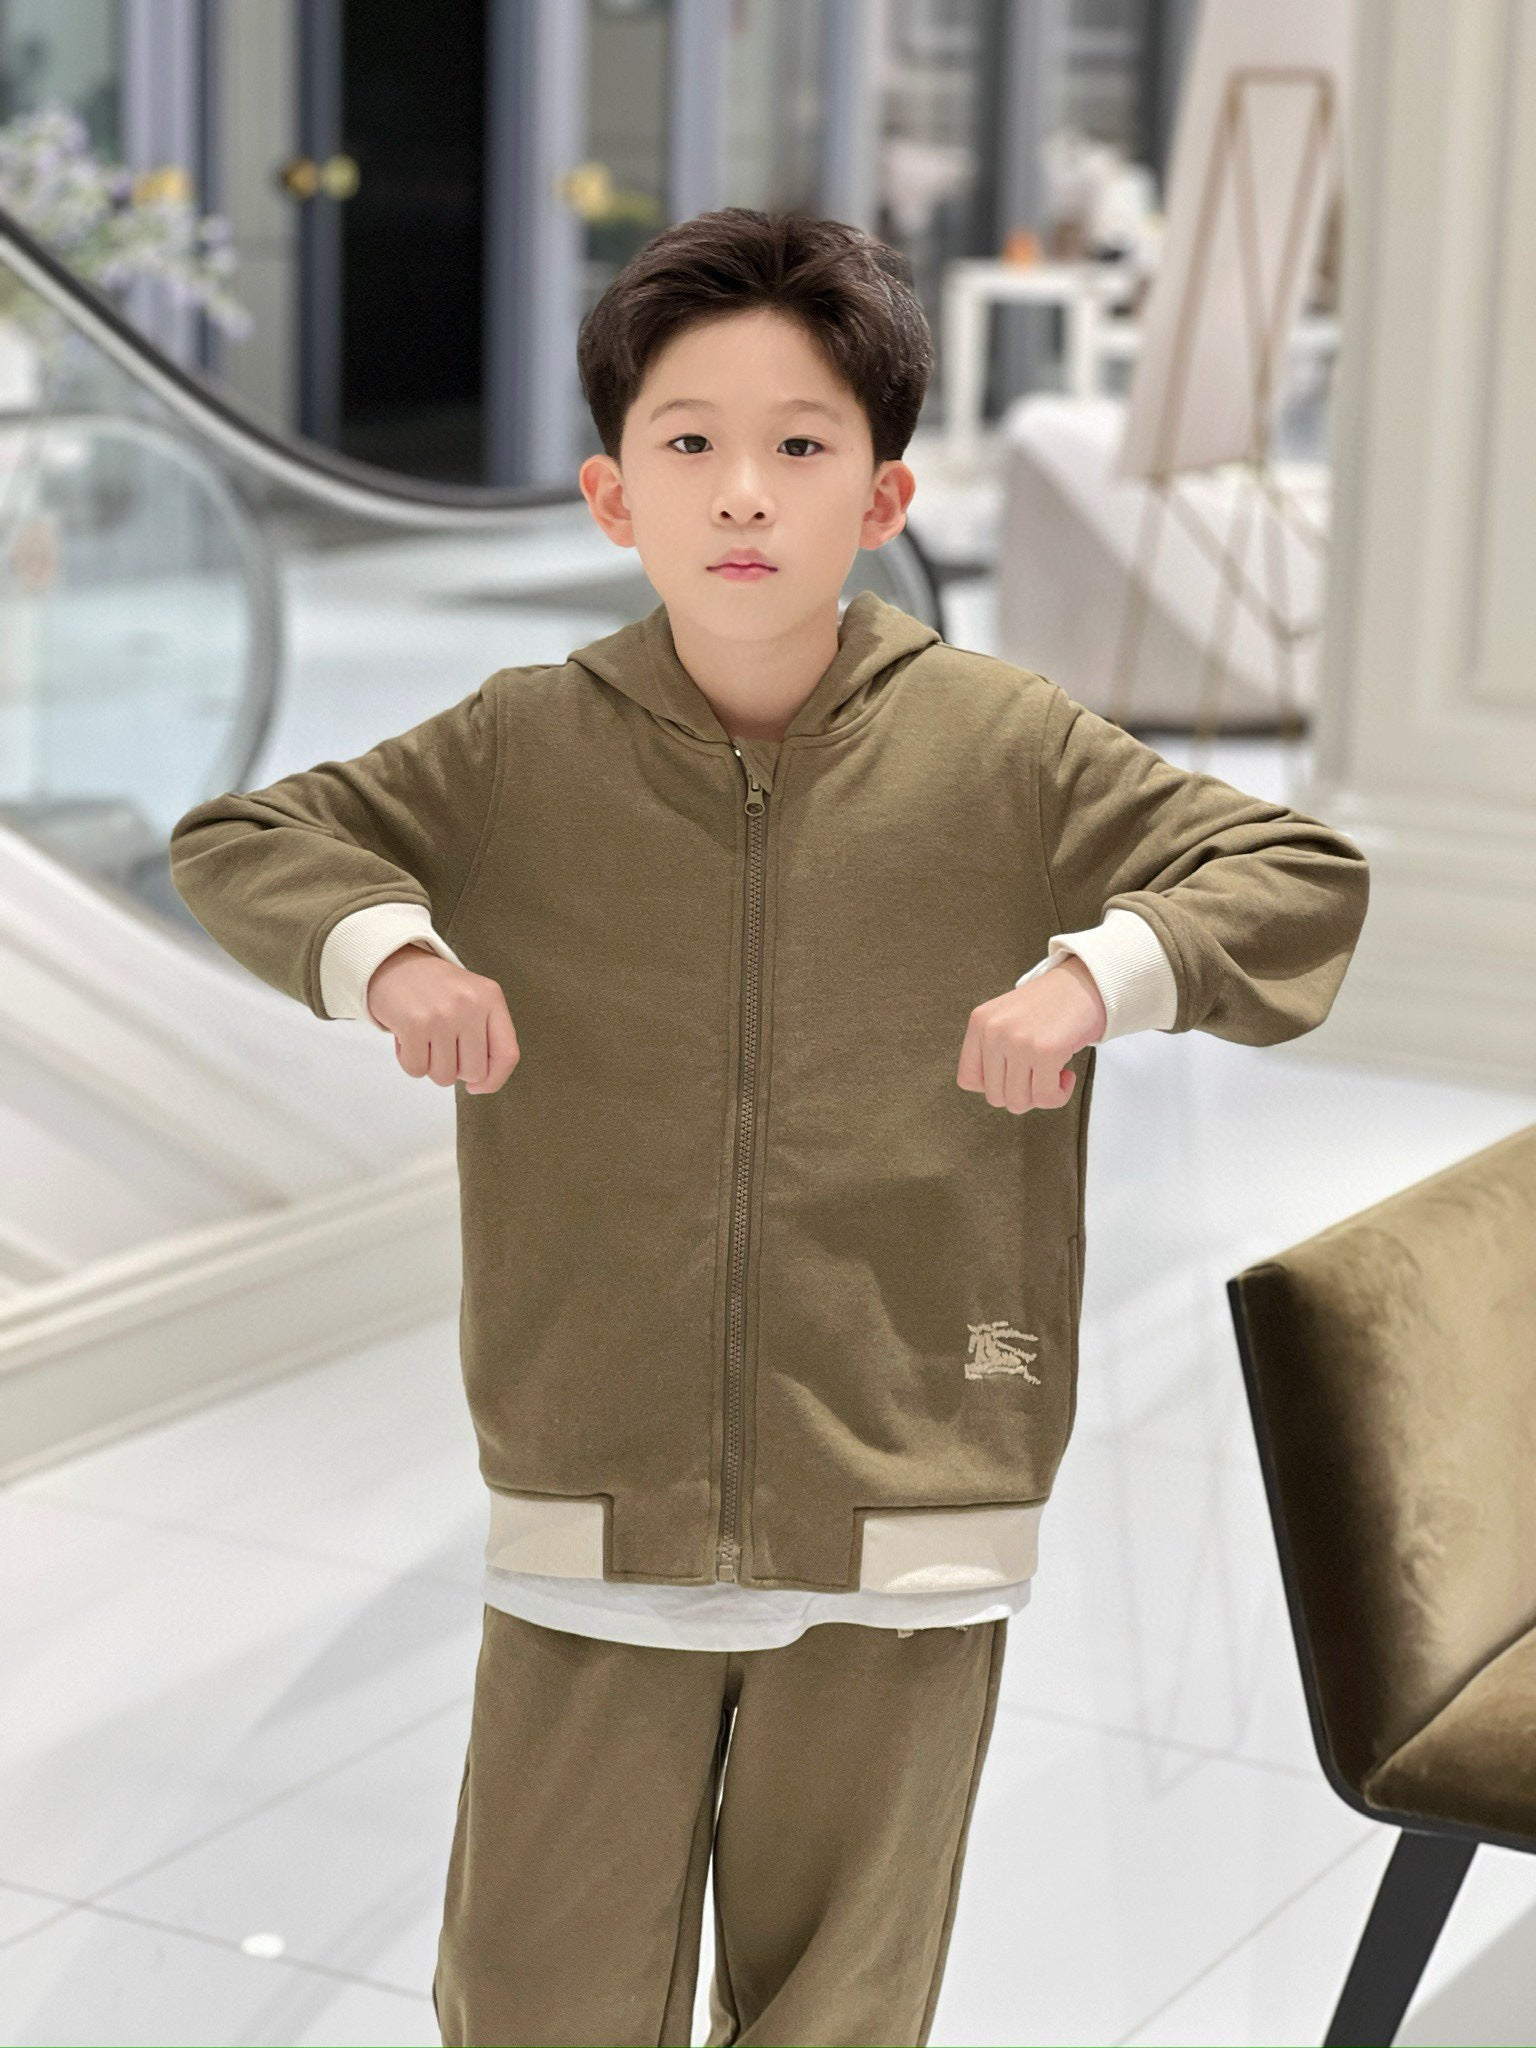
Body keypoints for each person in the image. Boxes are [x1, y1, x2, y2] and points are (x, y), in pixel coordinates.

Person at [168, 206, 1371, 2047]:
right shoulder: (520, 747)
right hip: (595, 1492)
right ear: (612, 494)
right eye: (690, 442)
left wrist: (1096, 975)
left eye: (802, 445)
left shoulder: (1005, 747)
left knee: (840, 2010)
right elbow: (243, 840)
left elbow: (1296, 873)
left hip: (911, 1486)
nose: (743, 492)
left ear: (882, 500)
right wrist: (389, 956)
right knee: (533, 1993)